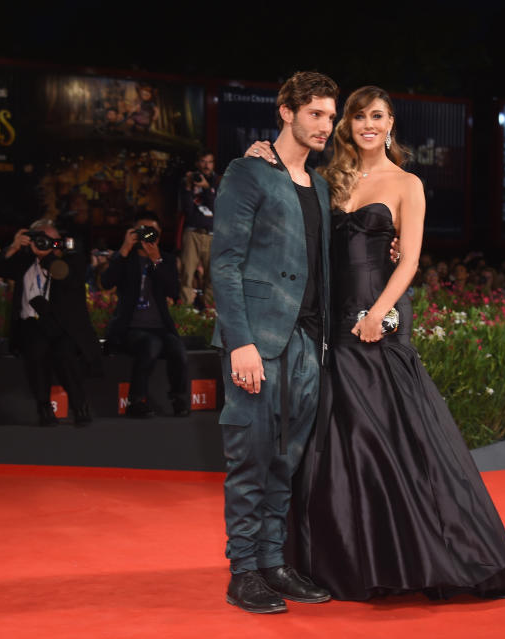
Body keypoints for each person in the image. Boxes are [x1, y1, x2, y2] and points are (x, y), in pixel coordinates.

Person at [248, 86, 505, 601]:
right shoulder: (325, 181)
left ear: (390, 124)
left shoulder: (408, 183)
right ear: (348, 126)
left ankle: (409, 555)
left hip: (377, 318)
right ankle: (337, 559)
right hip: (331, 324)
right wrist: (264, 156)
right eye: (358, 117)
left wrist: (380, 312)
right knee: (335, 439)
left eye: (376, 116)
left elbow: (409, 259)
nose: (367, 124)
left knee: (382, 434)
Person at [211, 71, 338, 614]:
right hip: (257, 342)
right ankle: (244, 571)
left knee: (286, 459)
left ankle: (273, 563)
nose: (325, 126)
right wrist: (240, 342)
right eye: (315, 113)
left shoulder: (323, 185)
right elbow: (225, 262)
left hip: (309, 341)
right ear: (286, 111)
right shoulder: (248, 172)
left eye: (331, 117)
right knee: (250, 454)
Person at [0, 218, 102, 426]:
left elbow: (68, 278)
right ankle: (44, 408)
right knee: (36, 354)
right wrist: (13, 247)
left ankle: (80, 406)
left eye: (51, 240)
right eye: (41, 239)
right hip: (31, 322)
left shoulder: (71, 257)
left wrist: (46, 257)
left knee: (65, 355)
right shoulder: (23, 259)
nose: (45, 244)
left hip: (61, 324)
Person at [100, 212, 190, 418]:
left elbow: (173, 291)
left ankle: (179, 399)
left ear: (159, 235)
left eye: (152, 232)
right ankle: (136, 401)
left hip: (160, 327)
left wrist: (155, 259)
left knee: (177, 348)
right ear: (133, 233)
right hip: (129, 328)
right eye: (142, 231)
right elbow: (106, 282)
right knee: (151, 344)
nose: (147, 236)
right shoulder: (126, 258)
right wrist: (123, 249)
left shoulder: (165, 259)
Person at [178, 150, 219, 306]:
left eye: (209, 162)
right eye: (203, 161)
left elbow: (217, 207)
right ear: (197, 163)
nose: (206, 165)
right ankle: (187, 311)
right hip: (192, 232)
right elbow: (187, 210)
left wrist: (207, 188)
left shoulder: (219, 181)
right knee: (187, 273)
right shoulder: (188, 180)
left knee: (213, 276)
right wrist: (188, 188)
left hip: (213, 234)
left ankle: (209, 311)